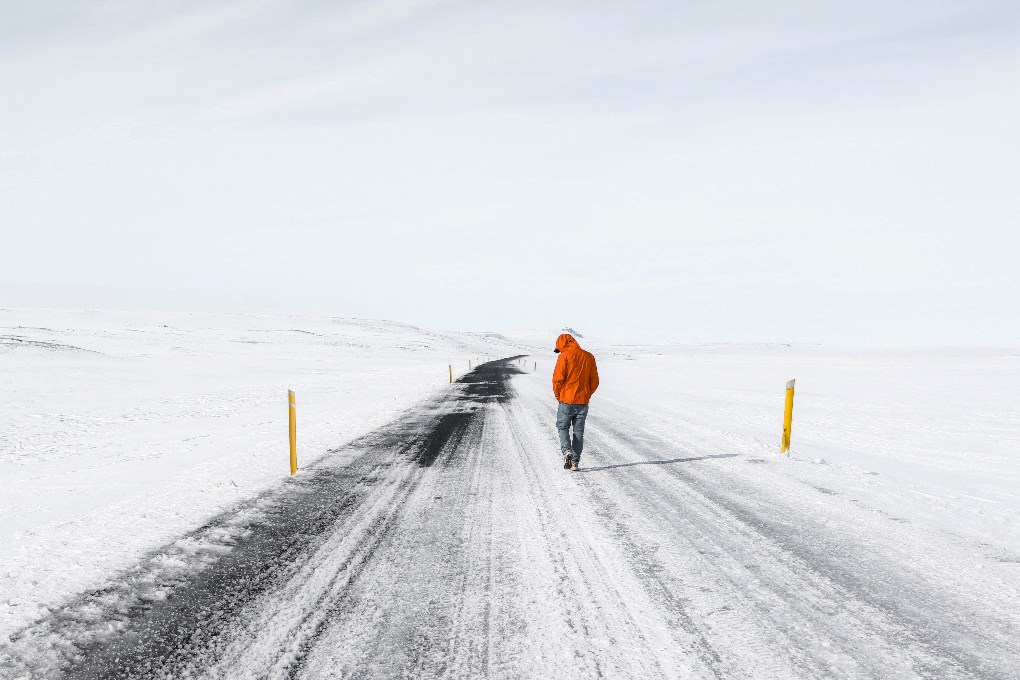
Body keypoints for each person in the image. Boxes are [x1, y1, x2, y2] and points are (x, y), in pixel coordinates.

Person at [552, 333, 599, 471]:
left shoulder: (564, 357)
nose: (559, 351)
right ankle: (575, 461)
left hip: (566, 400)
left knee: (563, 427)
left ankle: (567, 451)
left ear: (562, 345)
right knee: (578, 432)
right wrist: (585, 394)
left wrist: (559, 396)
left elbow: (557, 380)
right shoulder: (589, 356)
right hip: (582, 402)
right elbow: (595, 381)